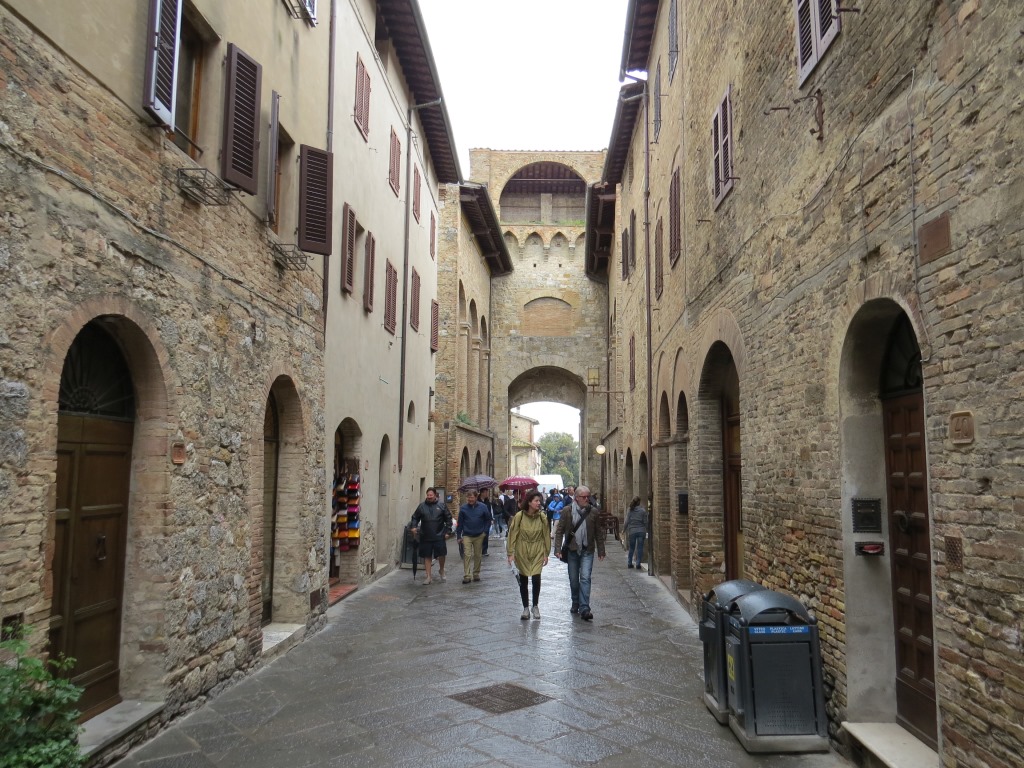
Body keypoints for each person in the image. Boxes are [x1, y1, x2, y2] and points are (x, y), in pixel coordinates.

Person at [553, 485, 605, 621]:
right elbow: (560, 531)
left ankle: (585, 608)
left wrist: (601, 550)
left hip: (587, 549)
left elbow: (598, 532)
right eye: (584, 497)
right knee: (574, 580)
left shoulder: (593, 512)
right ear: (576, 498)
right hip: (572, 550)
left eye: (588, 497)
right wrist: (557, 549)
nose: (587, 499)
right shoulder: (567, 511)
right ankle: (575, 601)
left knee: (585, 577)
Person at [507, 490, 550, 620]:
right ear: (529, 502)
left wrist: (546, 553)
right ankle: (525, 607)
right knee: (523, 579)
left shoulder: (542, 517)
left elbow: (546, 535)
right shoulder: (519, 516)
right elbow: (512, 534)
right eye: (536, 501)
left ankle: (535, 605)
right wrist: (510, 553)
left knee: (536, 578)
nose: (539, 503)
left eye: (539, 501)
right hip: (522, 551)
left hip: (537, 550)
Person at [409, 488, 453, 585]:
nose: (429, 497)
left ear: (435, 495)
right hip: (426, 535)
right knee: (427, 556)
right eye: (428, 495)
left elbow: (448, 519)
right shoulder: (422, 506)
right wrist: (413, 526)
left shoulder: (442, 505)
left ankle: (441, 569)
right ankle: (428, 576)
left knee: (441, 554)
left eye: (431, 495)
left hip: (439, 535)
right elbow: (415, 517)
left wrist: (448, 532)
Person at [456, 489, 491, 583]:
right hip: (467, 535)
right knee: (467, 554)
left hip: (479, 535)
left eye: (472, 497)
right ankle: (467, 575)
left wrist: (485, 532)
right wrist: (459, 536)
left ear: (476, 497)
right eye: (468, 497)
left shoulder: (483, 507)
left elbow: (488, 520)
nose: (470, 499)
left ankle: (476, 573)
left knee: (478, 555)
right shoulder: (463, 508)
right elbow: (460, 523)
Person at [623, 495, 647, 569]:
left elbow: (626, 521)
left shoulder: (630, 510)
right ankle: (638, 563)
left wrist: (624, 529)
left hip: (632, 531)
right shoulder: (643, 511)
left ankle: (629, 563)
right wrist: (647, 529)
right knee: (640, 548)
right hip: (641, 531)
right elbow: (645, 522)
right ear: (639, 502)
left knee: (631, 548)